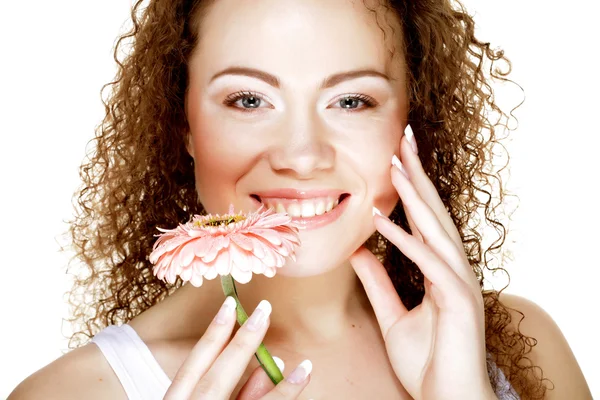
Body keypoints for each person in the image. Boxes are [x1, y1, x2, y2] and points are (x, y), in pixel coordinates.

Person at [8, 0, 592, 399]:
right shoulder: (74, 392)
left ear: (411, 119)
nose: (302, 154)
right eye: (248, 99)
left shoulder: (520, 344)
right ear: (181, 122)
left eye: (352, 101)